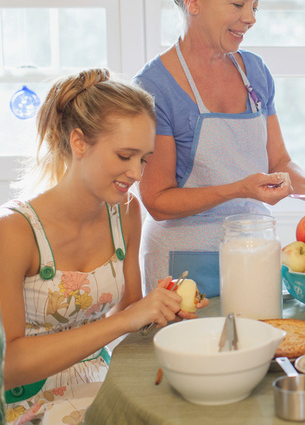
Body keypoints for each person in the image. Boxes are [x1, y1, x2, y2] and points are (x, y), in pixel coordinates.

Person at [134, 0, 305, 296]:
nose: (251, 18)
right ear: (193, 0)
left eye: (254, 6)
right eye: (238, 4)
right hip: (182, 266)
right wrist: (238, 189)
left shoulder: (254, 72)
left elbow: (279, 162)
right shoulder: (155, 86)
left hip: (252, 254)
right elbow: (157, 200)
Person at [0, 69, 207, 424]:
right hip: (31, 407)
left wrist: (158, 306)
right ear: (79, 142)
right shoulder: (14, 232)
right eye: (125, 155)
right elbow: (11, 365)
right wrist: (128, 317)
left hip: (102, 385)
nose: (137, 173)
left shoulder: (125, 213)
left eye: (143, 158)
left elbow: (129, 314)